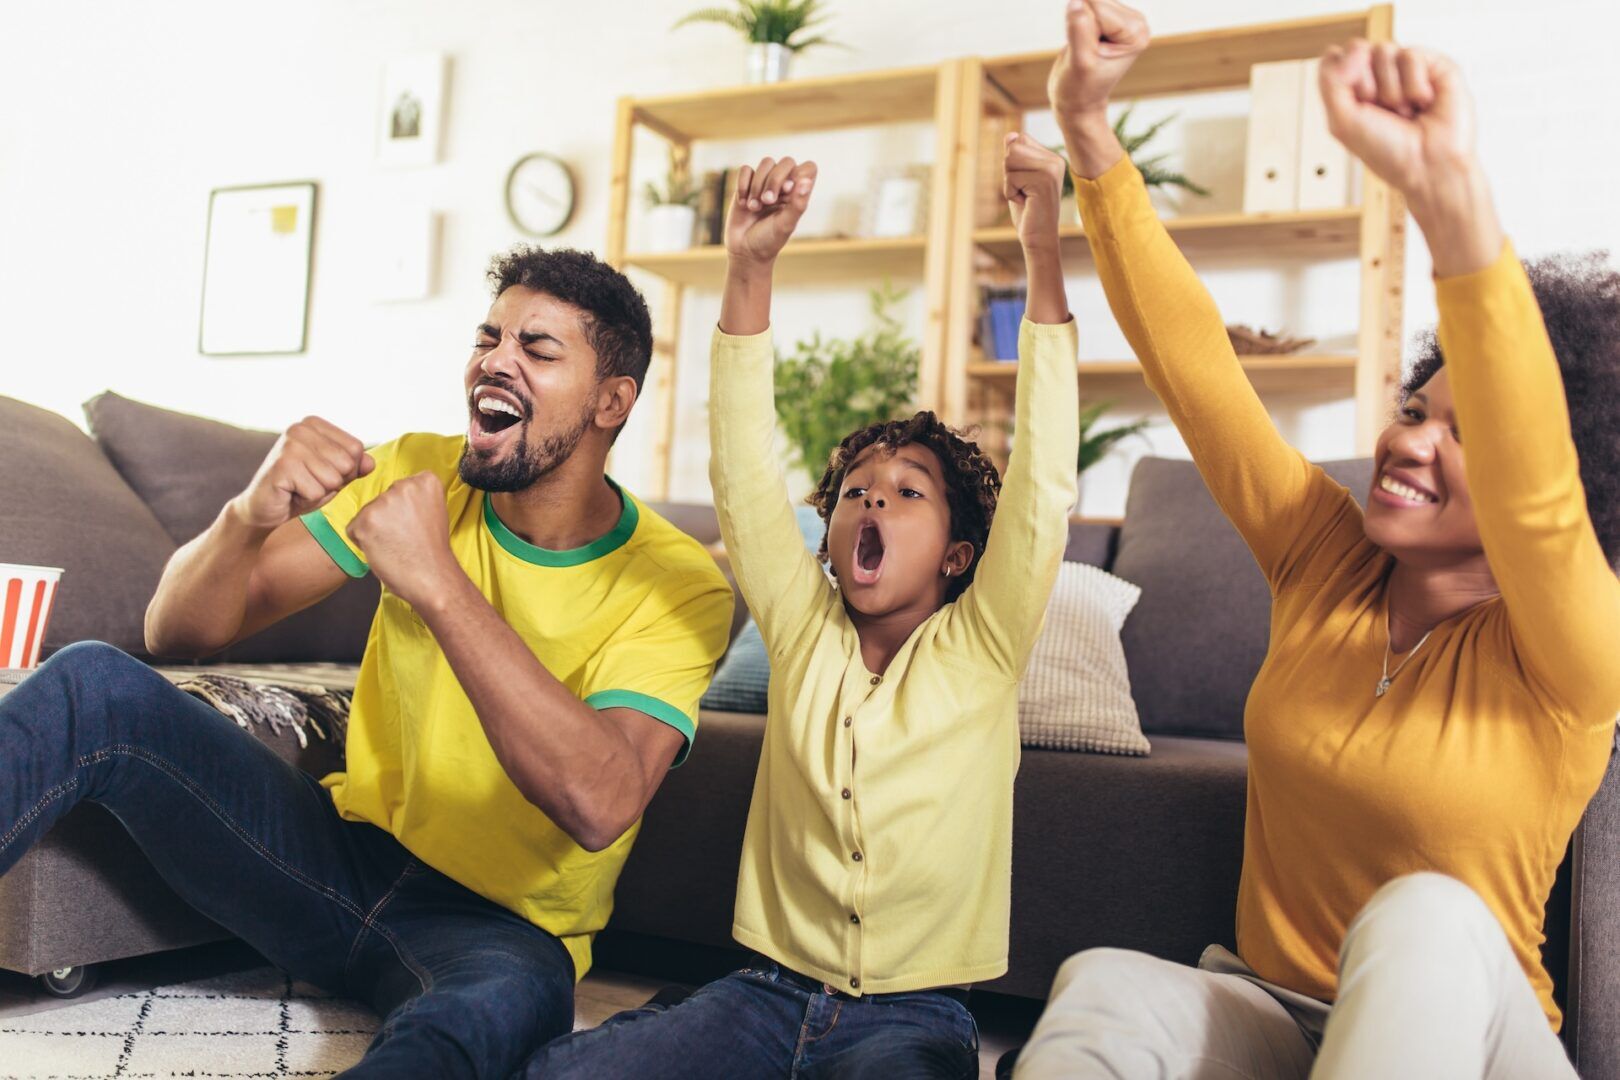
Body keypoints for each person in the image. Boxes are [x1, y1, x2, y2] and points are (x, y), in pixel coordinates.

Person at [1014, 3, 1620, 1078]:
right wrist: (1090, 130)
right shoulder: (1325, 559)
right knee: (1106, 982)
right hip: (1279, 1020)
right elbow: (1197, 366)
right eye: (1417, 410)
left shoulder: (1576, 651)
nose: (1409, 442)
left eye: (1466, 431)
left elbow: (1540, 495)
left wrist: (1445, 194)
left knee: (1428, 914)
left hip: (1479, 1046)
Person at [0, 248, 735, 1078]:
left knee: (470, 1034)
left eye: (538, 349)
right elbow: (177, 632)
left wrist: (438, 584)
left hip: (502, 933)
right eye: (489, 338)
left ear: (612, 401)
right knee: (92, 683)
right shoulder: (417, 467)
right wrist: (246, 515)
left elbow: (600, 802)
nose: (495, 360)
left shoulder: (674, 580)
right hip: (327, 860)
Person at [521, 135, 1080, 1078]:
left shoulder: (985, 644)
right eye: (857, 490)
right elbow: (742, 471)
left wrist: (1043, 250)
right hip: (761, 995)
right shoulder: (802, 623)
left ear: (957, 554)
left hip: (916, 1015)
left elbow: (1046, 488)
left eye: (907, 493)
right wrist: (749, 265)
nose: (872, 501)